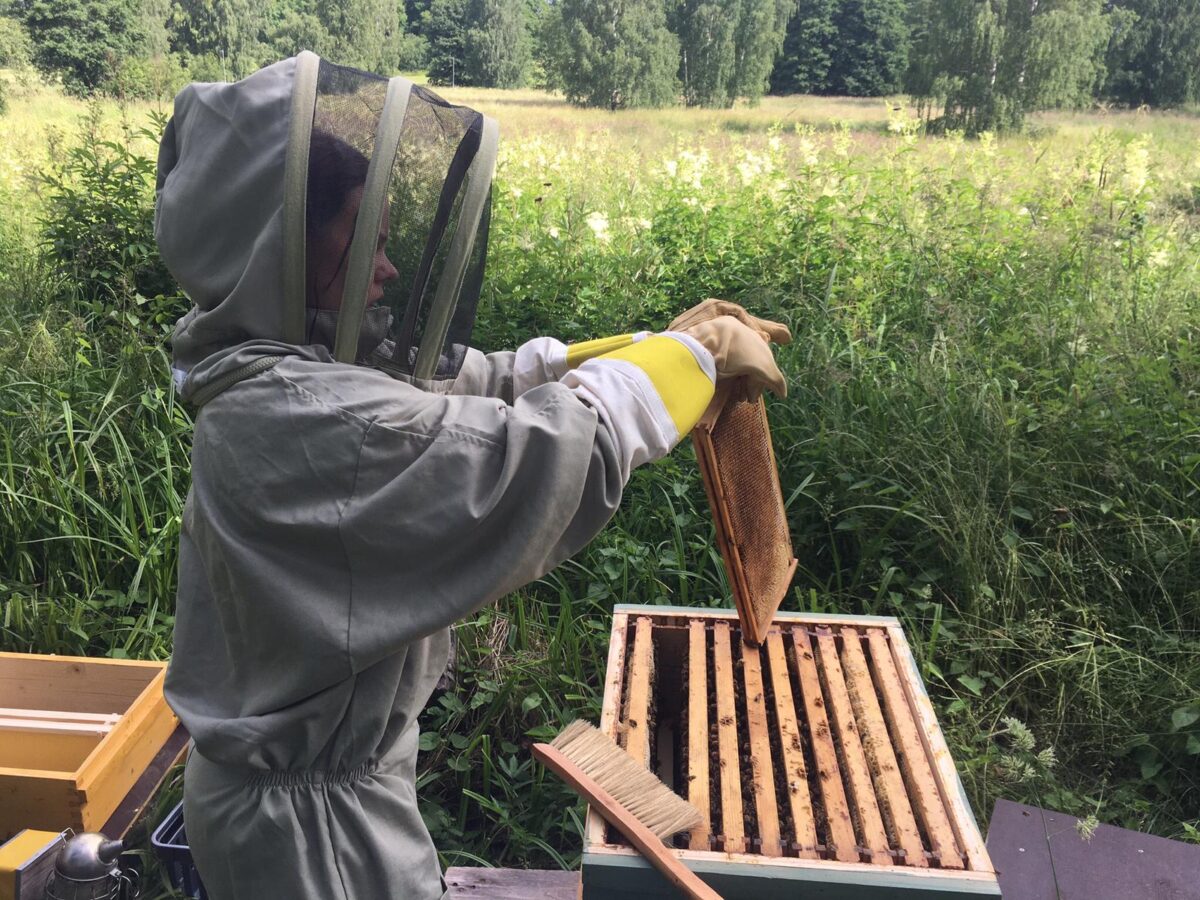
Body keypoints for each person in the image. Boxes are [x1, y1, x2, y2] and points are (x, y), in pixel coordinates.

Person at [155, 53, 790, 900]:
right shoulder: (300, 415)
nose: (385, 271)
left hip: (318, 806)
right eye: (363, 238)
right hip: (310, 841)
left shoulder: (278, 371)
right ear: (282, 245)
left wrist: (642, 348)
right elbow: (520, 455)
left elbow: (462, 387)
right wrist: (689, 365)